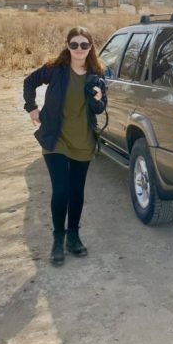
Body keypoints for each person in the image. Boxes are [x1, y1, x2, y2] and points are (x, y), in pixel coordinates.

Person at [23, 26, 107, 266]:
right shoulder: (56, 70)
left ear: (90, 47)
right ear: (68, 46)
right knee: (61, 190)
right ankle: (58, 240)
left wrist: (99, 99)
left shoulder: (97, 73)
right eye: (74, 44)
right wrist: (31, 107)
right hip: (56, 138)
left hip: (83, 140)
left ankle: (74, 237)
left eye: (84, 45)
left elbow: (100, 109)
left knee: (77, 191)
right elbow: (29, 82)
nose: (79, 49)